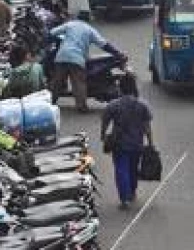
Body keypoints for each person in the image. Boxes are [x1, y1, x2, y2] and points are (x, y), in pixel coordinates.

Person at [50, 11, 122, 113]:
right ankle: (81, 106)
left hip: (62, 56)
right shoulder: (90, 30)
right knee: (78, 83)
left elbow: (52, 32)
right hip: (77, 59)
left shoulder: (70, 24)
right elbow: (103, 44)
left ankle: (51, 103)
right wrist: (117, 53)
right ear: (88, 20)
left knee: (57, 81)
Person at [100, 74, 154, 209]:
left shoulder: (113, 105)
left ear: (120, 88)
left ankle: (125, 198)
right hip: (137, 143)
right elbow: (147, 127)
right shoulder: (143, 105)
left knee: (121, 170)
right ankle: (132, 192)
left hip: (119, 144)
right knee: (133, 169)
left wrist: (103, 135)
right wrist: (151, 143)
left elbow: (105, 121)